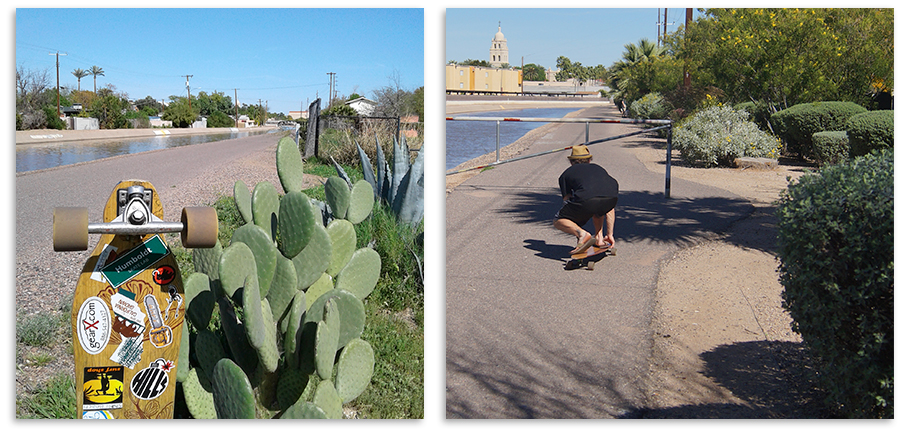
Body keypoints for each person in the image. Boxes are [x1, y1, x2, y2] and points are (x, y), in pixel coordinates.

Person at [553, 145, 619, 254]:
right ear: (589, 160)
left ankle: (582, 234)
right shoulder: (598, 168)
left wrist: (574, 223)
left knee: (558, 221)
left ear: (571, 162)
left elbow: (566, 200)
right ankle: (600, 239)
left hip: (587, 198)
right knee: (600, 209)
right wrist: (610, 234)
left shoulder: (565, 174)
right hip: (612, 196)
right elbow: (610, 209)